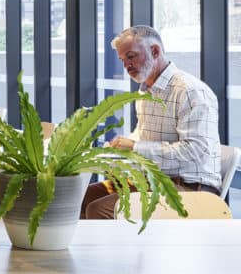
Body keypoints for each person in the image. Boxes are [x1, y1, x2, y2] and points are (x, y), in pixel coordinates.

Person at [80, 25, 221, 219]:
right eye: (123, 60)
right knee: (81, 197)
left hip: (191, 188)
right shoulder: (146, 91)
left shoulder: (190, 91)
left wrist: (136, 148)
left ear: (154, 51)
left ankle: (119, 250)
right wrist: (115, 151)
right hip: (153, 180)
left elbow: (194, 152)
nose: (126, 66)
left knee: (99, 210)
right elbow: (143, 137)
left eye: (131, 56)